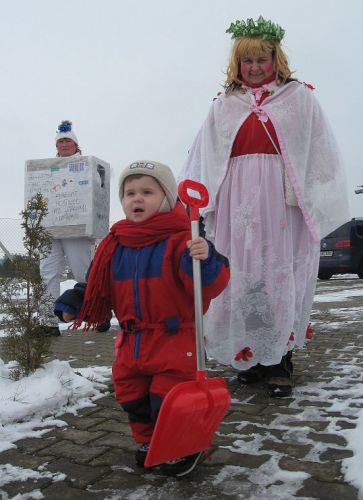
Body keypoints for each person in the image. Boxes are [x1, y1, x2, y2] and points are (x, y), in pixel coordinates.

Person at [178, 16, 350, 397]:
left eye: (262, 60)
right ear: (237, 65)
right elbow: (203, 155)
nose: (255, 68)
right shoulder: (224, 105)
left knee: (277, 275)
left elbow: (318, 148)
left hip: (281, 200)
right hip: (236, 199)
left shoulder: (298, 98)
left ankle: (280, 361)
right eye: (247, 62)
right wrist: (193, 194)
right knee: (241, 277)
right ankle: (251, 357)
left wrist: (317, 193)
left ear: (276, 59)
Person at [54, 160, 230, 476]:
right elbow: (95, 283)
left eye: (147, 192)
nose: (137, 199)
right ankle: (151, 442)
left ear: (167, 199)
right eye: (130, 192)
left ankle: (182, 446)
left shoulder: (182, 240)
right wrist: (75, 303)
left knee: (168, 400)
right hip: (132, 341)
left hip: (174, 339)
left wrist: (206, 259)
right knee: (132, 398)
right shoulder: (114, 244)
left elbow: (210, 285)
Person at [39, 120, 111, 336]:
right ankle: (48, 321)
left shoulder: (87, 165)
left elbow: (99, 190)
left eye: (68, 140)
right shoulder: (47, 169)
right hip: (50, 227)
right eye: (60, 141)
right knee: (48, 273)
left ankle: (99, 313)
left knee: (84, 272)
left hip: (75, 227)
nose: (64, 144)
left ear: (75, 144)